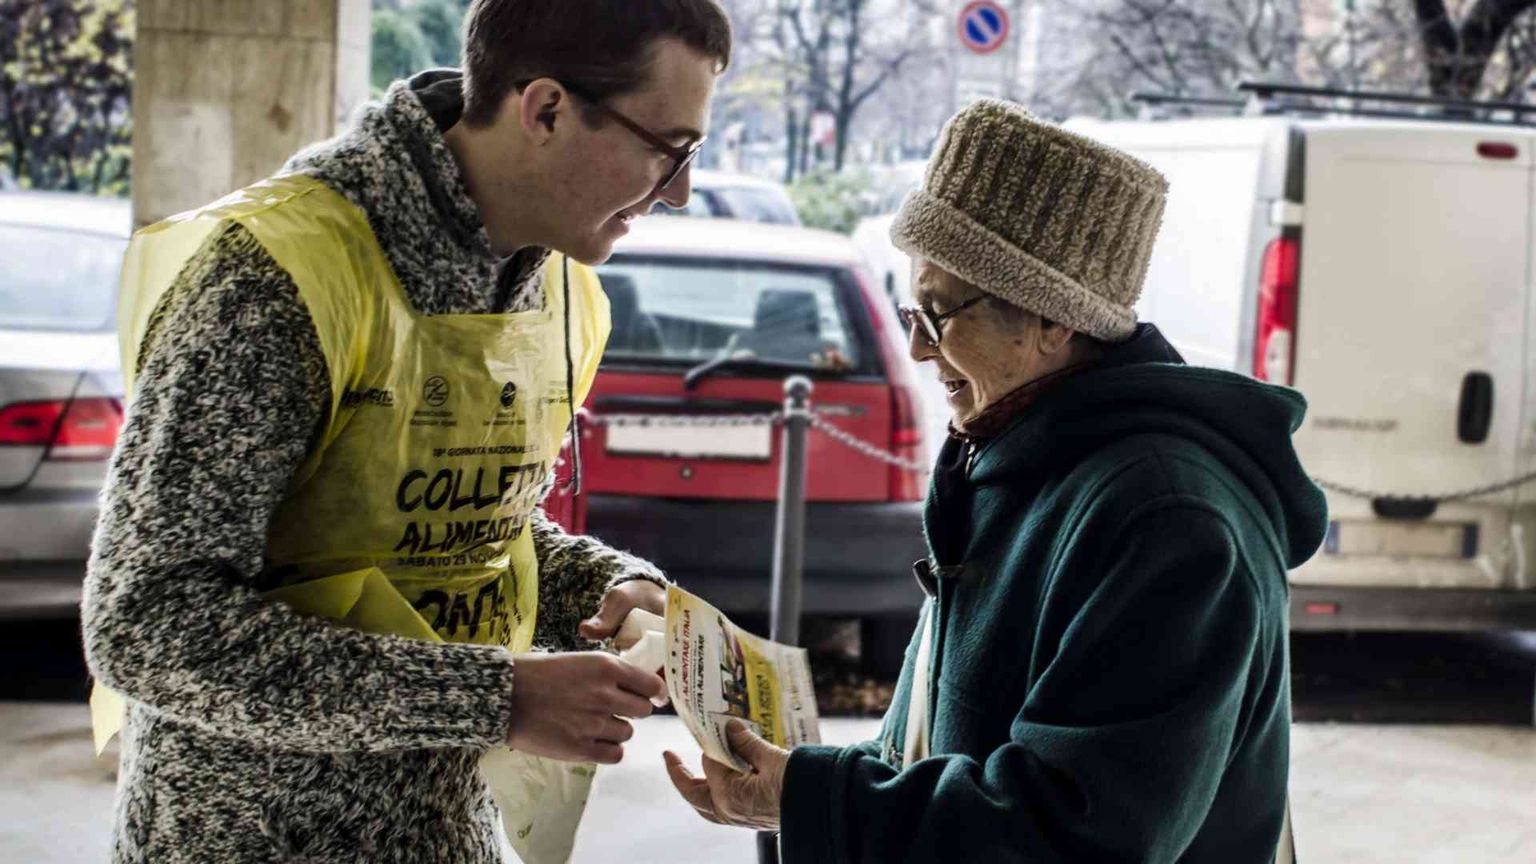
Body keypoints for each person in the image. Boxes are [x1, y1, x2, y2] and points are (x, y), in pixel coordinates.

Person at [81, 1, 731, 861]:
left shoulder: (553, 277)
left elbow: (457, 533)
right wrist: (495, 699)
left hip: (448, 832)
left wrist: (610, 588)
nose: (680, 190)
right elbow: (146, 621)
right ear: (543, 110)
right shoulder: (271, 278)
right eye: (668, 148)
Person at [666, 99, 1327, 863]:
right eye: (911, 310)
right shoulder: (1015, 446)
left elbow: (1078, 835)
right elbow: (937, 740)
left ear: (1055, 320)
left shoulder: (1169, 519)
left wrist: (808, 797)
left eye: (941, 314)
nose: (917, 349)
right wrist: (807, 784)